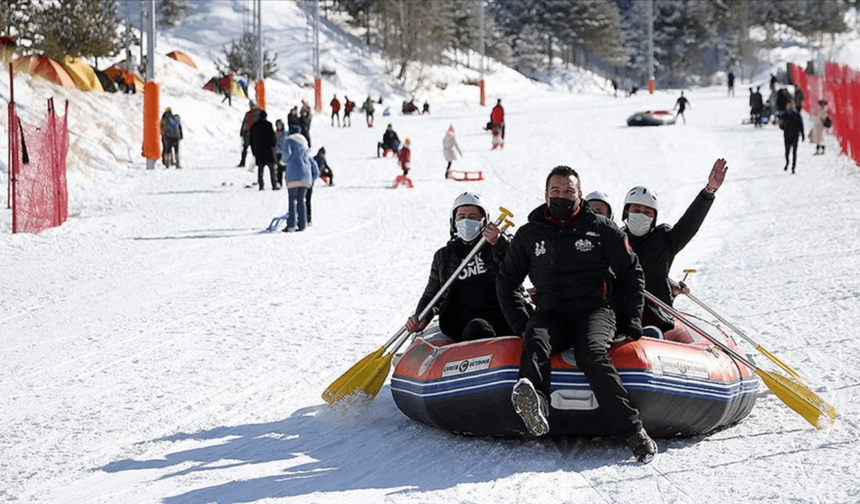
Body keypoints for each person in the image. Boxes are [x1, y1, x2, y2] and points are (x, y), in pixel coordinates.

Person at [496, 165, 656, 464]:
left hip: (594, 309)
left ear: (579, 194)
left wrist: (633, 318)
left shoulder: (602, 229)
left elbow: (631, 273)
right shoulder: (529, 234)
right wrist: (521, 322)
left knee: (591, 353)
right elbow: (507, 281)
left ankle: (634, 432)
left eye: (568, 191)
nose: (562, 196)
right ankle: (536, 407)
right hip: (551, 311)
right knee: (534, 341)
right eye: (556, 191)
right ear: (546, 195)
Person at [621, 159, 728, 332]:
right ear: (626, 211)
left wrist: (709, 191)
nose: (641, 215)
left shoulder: (665, 240)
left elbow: (690, 223)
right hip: (621, 311)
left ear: (654, 217)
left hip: (655, 313)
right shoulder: (616, 240)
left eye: (647, 212)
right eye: (636, 210)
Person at [406, 192, 528, 342]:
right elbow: (432, 295)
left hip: (504, 316)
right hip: (463, 322)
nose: (466, 222)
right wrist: (421, 317)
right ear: (454, 221)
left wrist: (499, 243)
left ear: (484, 222)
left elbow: (517, 266)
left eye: (472, 217)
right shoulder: (444, 256)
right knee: (478, 328)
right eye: (461, 217)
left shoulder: (497, 244)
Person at [281, 132, 319, 232]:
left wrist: (283, 161)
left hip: (293, 176)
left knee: (292, 200)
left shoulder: (289, 141)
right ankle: (303, 224)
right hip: (306, 177)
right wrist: (312, 180)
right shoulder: (304, 145)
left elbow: (286, 156)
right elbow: (314, 166)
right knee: (301, 200)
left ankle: (291, 225)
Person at [249, 110, 279, 191]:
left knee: (260, 170)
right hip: (269, 151)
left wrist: (254, 151)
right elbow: (273, 138)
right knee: (272, 169)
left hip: (259, 152)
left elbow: (251, 141)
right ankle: (274, 184)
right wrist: (274, 146)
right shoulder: (268, 125)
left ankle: (261, 185)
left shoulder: (254, 126)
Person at [780, 101, 804, 174]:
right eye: (788, 105)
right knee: (787, 152)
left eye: (791, 105)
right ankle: (787, 162)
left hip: (795, 135)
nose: (790, 106)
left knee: (794, 152)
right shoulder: (784, 115)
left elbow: (801, 125)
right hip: (787, 135)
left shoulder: (797, 115)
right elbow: (781, 126)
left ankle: (793, 167)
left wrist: (802, 134)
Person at [238, 101, 260, 167]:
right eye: (251, 106)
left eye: (253, 106)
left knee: (254, 149)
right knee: (244, 148)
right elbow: (244, 123)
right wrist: (242, 131)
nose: (252, 107)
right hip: (247, 133)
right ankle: (242, 162)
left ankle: (257, 162)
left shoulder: (259, 113)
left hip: (254, 133)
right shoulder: (248, 114)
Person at [274, 119, 289, 183]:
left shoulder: (285, 133)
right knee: (278, 168)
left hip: (283, 152)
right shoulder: (275, 133)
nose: (279, 126)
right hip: (277, 152)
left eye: (280, 125)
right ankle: (279, 181)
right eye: (277, 125)